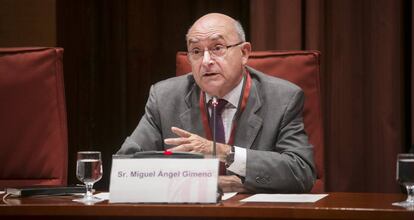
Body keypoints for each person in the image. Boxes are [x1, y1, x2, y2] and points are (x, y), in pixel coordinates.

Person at [117, 13, 316, 193]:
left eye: (217, 48)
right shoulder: (164, 97)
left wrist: (224, 152)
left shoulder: (282, 98)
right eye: (196, 51)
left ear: (244, 53)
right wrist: (208, 182)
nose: (205, 61)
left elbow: (301, 171)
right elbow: (125, 168)